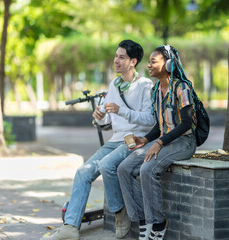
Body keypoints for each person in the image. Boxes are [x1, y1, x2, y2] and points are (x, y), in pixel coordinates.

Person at [41, 40, 155, 240]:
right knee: (83, 172)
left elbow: (150, 120)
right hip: (116, 139)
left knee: (106, 165)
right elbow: (108, 119)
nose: (116, 60)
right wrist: (100, 117)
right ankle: (70, 227)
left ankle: (120, 215)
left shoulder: (145, 85)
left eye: (122, 57)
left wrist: (123, 111)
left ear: (133, 61)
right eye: (116, 56)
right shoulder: (114, 84)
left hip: (134, 140)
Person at [118, 45, 197, 240]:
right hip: (166, 140)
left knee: (147, 169)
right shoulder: (155, 90)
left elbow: (186, 123)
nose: (149, 65)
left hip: (184, 141)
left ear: (168, 64)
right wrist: (144, 140)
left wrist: (159, 142)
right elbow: (161, 124)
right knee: (124, 168)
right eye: (149, 61)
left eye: (154, 61)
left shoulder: (182, 87)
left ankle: (159, 223)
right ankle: (145, 219)